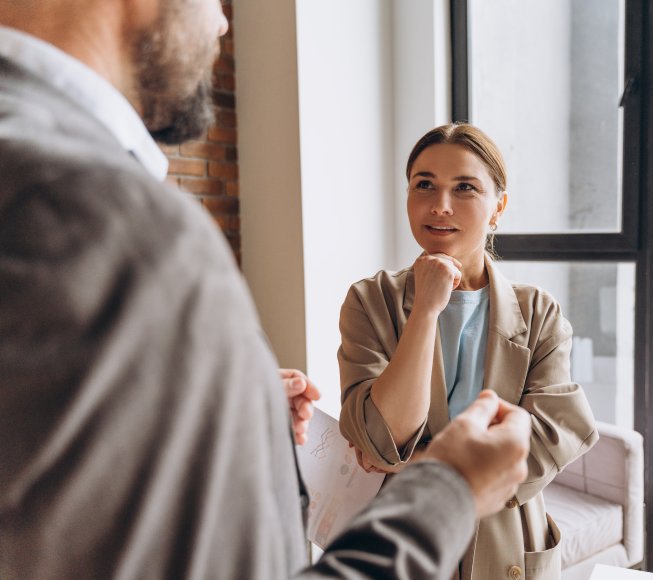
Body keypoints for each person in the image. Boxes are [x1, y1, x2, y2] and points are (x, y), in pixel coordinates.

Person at [0, 0, 534, 578]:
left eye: (465, 189)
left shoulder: (51, 193)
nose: (224, 23)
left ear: (498, 206)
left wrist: (231, 417)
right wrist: (448, 490)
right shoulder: (100, 218)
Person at [338, 123, 600, 579]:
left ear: (498, 207)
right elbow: (381, 436)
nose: (440, 205)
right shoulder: (369, 301)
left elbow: (545, 445)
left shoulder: (539, 313)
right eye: (425, 185)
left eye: (465, 188)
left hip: (507, 547)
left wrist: (410, 465)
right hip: (406, 544)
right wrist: (425, 308)